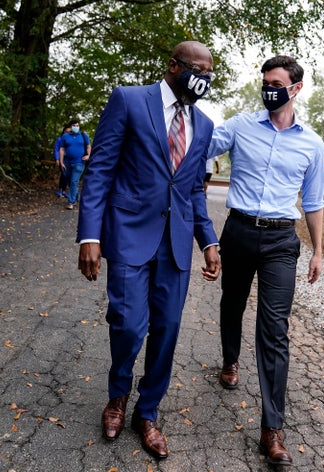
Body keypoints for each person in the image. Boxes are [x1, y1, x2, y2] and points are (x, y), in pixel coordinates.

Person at [76, 41, 221, 460]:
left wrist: (208, 241)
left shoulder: (205, 125)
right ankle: (118, 395)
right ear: (173, 66)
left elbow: (193, 189)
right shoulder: (129, 100)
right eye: (197, 68)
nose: (203, 78)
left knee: (168, 329)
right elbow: (100, 169)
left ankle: (148, 411)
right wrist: (90, 236)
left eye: (210, 73)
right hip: (128, 235)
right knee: (127, 322)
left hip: (175, 243)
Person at [208, 55, 324, 466]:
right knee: (232, 303)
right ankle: (229, 359)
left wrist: (318, 250)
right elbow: (200, 146)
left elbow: (312, 201)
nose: (268, 88)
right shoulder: (241, 125)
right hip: (239, 231)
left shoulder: (312, 143)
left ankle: (271, 429)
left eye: (276, 82)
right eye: (264, 82)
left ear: (295, 88)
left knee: (274, 329)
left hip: (280, 240)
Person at [59, 119, 91, 210]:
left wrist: (88, 155)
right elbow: (62, 149)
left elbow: (88, 146)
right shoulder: (65, 136)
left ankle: (71, 202)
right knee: (69, 181)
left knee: (74, 181)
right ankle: (77, 198)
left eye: (77, 125)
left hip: (79, 162)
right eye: (74, 125)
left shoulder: (84, 135)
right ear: (70, 127)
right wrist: (61, 162)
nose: (76, 127)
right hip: (67, 162)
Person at [53, 124, 71, 197]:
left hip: (69, 159)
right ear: (63, 132)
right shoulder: (59, 139)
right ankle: (60, 190)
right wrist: (57, 159)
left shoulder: (71, 140)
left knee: (67, 175)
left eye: (69, 132)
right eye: (66, 132)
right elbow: (56, 149)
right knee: (63, 174)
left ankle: (64, 191)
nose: (67, 133)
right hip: (62, 158)